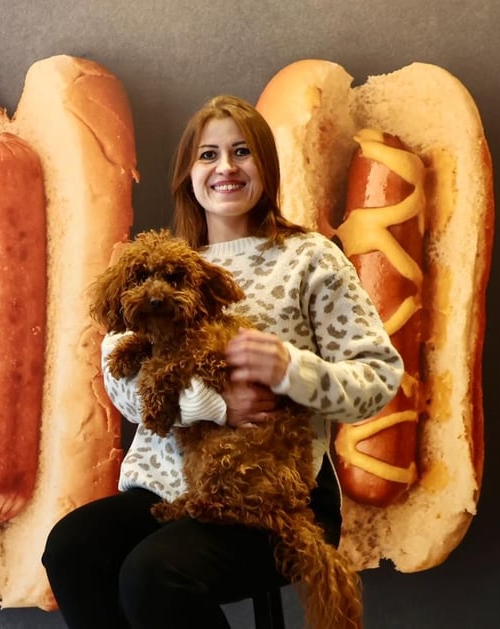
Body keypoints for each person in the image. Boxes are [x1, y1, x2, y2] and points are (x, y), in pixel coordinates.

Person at [41, 95, 403, 628]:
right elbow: (122, 383)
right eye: (208, 155)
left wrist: (290, 369)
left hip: (276, 493)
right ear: (189, 173)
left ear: (267, 167)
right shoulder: (153, 271)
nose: (226, 168)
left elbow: (377, 379)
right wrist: (213, 404)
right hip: (162, 489)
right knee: (71, 549)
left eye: (242, 152)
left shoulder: (310, 258)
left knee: (153, 574)